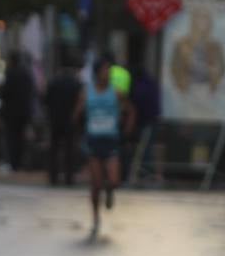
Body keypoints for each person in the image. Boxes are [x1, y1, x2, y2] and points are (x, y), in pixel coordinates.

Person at [75, 58, 134, 238]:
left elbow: (131, 110)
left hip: (111, 141)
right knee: (96, 184)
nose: (107, 74)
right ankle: (95, 218)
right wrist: (77, 122)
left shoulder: (116, 93)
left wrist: (127, 130)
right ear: (97, 73)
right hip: (94, 141)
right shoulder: (87, 93)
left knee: (114, 180)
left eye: (109, 70)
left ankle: (110, 191)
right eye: (105, 70)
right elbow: (77, 112)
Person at [44, 56, 83, 186]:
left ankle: (53, 176)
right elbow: (80, 102)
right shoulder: (76, 83)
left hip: (55, 119)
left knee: (54, 149)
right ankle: (69, 177)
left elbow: (46, 100)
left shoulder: (54, 81)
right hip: (70, 120)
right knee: (70, 149)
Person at [0, 52, 35, 172]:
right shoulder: (26, 74)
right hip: (24, 112)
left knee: (11, 138)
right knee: (20, 138)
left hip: (11, 112)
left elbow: (4, 92)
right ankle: (20, 163)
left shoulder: (10, 74)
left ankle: (13, 163)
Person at [127, 63, 161, 184]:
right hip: (152, 119)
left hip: (145, 121)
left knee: (145, 149)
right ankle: (147, 173)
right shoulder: (151, 84)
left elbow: (137, 105)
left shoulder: (139, 87)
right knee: (148, 147)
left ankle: (146, 173)